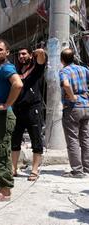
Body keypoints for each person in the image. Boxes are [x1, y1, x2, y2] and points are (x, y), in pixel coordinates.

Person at [0, 39, 23, 202]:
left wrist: (6, 105)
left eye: (0, 49)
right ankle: (2, 186)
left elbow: (18, 84)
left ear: (7, 52)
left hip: (3, 116)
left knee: (1, 153)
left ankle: (5, 191)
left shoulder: (7, 67)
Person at [11, 47, 46, 181]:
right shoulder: (16, 72)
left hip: (33, 109)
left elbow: (41, 59)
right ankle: (13, 169)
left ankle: (34, 170)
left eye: (24, 54)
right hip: (18, 109)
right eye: (19, 54)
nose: (21, 56)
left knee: (36, 140)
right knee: (15, 140)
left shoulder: (35, 69)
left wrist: (40, 52)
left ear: (30, 55)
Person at [59, 48, 89, 178]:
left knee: (72, 139)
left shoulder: (64, 71)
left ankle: (77, 171)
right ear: (74, 57)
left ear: (62, 60)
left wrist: (71, 97)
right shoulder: (84, 69)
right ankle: (87, 167)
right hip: (86, 106)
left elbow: (65, 84)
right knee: (86, 138)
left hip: (73, 107)